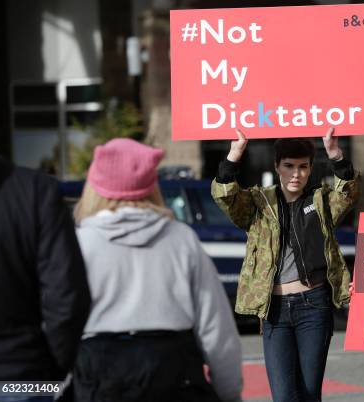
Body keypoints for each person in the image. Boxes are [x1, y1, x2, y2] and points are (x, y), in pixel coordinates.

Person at [72, 138, 242, 402]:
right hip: (173, 371)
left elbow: (60, 324)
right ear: (152, 186)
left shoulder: (80, 243)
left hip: (99, 373)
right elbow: (216, 328)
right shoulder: (180, 239)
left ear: (94, 187)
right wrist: (229, 391)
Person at [212, 128, 360, 402]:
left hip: (314, 305)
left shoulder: (321, 200)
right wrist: (234, 154)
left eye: (303, 167)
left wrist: (335, 154)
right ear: (276, 166)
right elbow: (225, 197)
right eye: (289, 166)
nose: (296, 173)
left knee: (308, 393)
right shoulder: (259, 202)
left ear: (311, 167)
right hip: (275, 310)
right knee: (283, 396)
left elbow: (349, 191)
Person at [0, 153, 91, 401]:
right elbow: (67, 296)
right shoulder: (36, 191)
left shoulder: (36, 191)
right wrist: (51, 370)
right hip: (22, 374)